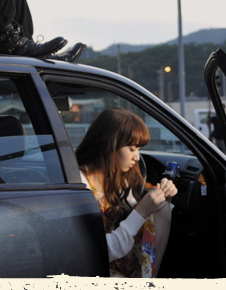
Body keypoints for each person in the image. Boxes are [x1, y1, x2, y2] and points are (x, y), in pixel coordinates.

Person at [75, 109, 177, 277]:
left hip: (115, 261)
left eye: (138, 149)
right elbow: (96, 253)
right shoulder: (79, 184)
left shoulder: (118, 179)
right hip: (93, 266)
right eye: (131, 149)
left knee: (162, 208)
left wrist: (162, 197)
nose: (137, 157)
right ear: (109, 145)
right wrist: (141, 211)